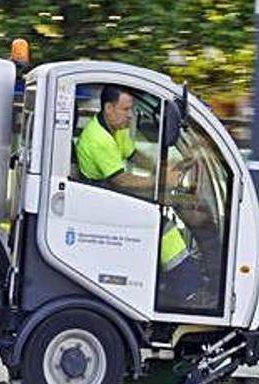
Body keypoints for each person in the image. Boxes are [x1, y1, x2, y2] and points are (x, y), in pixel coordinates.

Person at [75, 85, 202, 307]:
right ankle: (187, 288)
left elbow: (133, 155)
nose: (130, 114)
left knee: (159, 216)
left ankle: (177, 279)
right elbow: (120, 180)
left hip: (110, 198)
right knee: (162, 226)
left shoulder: (116, 128)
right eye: (125, 109)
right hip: (99, 206)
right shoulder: (97, 138)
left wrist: (158, 167)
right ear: (108, 108)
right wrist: (161, 181)